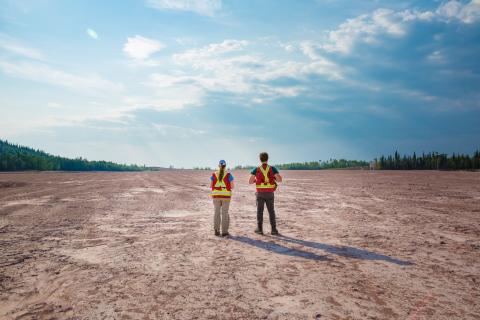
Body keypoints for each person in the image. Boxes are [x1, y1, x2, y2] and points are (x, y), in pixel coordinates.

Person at [249, 152, 282, 235]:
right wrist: (273, 178)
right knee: (271, 211)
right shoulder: (272, 169)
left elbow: (250, 181)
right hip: (270, 193)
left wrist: (256, 180)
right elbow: (279, 180)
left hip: (260, 193)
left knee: (260, 211)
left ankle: (259, 229)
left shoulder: (256, 169)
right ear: (267, 159)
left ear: (260, 159)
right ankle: (274, 230)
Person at [210, 160, 234, 237]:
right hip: (226, 197)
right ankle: (224, 232)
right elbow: (232, 186)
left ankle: (216, 231)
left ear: (218, 166)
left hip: (216, 196)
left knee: (216, 212)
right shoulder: (229, 175)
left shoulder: (214, 174)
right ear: (225, 166)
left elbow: (211, 186)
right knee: (225, 213)